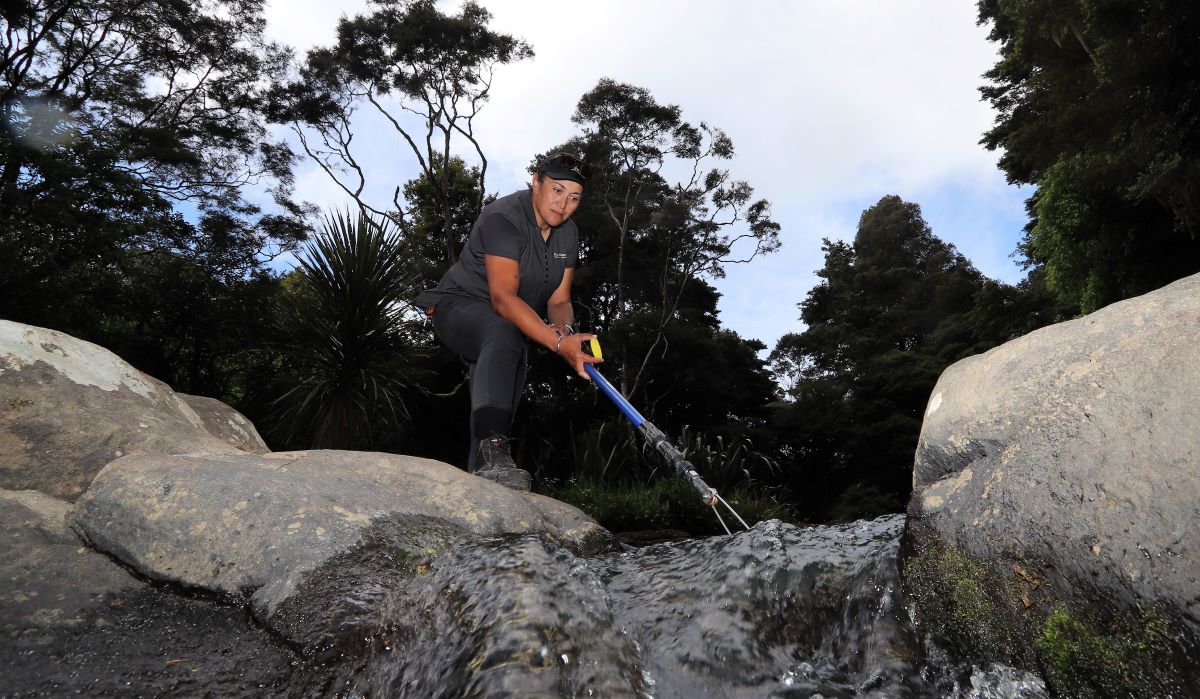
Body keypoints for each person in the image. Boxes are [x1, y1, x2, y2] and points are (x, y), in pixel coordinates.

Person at [416, 153, 602, 491]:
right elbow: (503, 299)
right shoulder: (503, 218)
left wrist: (565, 330)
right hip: (458, 306)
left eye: (574, 197)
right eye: (557, 190)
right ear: (536, 182)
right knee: (503, 330)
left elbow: (559, 300)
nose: (563, 204)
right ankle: (493, 453)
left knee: (501, 396)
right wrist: (558, 344)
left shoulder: (568, 234)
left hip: (510, 324)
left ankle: (486, 472)